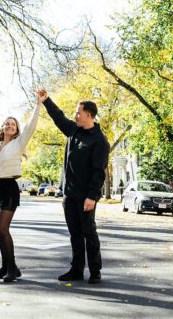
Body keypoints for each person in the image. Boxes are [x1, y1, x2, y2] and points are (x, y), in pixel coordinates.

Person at [37, 89, 110, 284]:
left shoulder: (99, 141)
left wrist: (92, 196)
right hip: (69, 195)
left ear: (89, 115)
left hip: (86, 197)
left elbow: (98, 172)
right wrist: (46, 100)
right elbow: (59, 118)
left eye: (78, 113)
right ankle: (76, 269)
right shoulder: (74, 130)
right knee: (75, 234)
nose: (75, 115)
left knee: (89, 233)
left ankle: (95, 271)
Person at [0, 93, 42, 282]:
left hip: (10, 188)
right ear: (3, 127)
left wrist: (38, 104)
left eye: (14, 124)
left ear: (16, 129)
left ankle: (12, 268)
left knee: (3, 228)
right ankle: (5, 266)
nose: (10, 126)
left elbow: (31, 126)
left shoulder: (18, 143)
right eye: (7, 123)